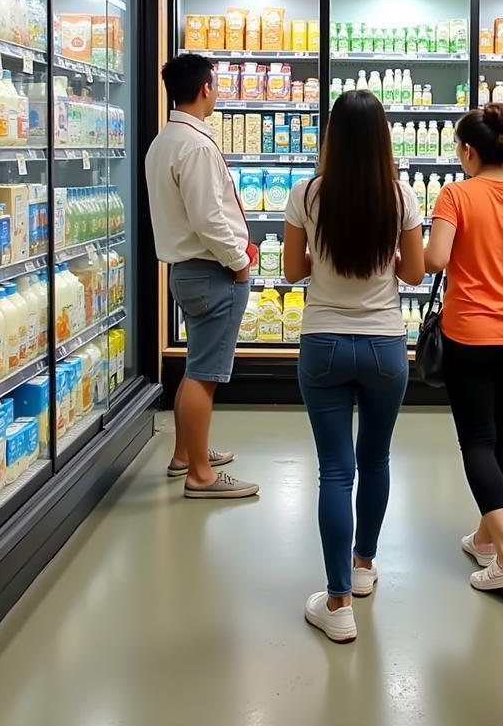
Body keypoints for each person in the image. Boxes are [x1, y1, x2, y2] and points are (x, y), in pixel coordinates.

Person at [283, 90, 424, 644]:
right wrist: (383, 256)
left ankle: (337, 603)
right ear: (385, 138)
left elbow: (293, 269)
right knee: (377, 458)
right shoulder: (400, 196)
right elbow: (413, 274)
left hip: (323, 345)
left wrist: (325, 252)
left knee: (335, 471)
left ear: (331, 137)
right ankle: (364, 567)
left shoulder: (307, 194)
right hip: (385, 347)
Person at [424, 103, 503, 591]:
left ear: (469, 151)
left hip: (469, 333)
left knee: (476, 440)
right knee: (501, 435)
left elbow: (434, 260)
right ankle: (486, 538)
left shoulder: (455, 195)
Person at [144, 52, 259, 499]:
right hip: (211, 271)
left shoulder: (165, 140)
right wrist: (239, 260)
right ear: (205, 88)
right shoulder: (196, 144)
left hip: (186, 270)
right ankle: (200, 476)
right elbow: (210, 217)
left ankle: (185, 454)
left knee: (195, 366)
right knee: (204, 374)